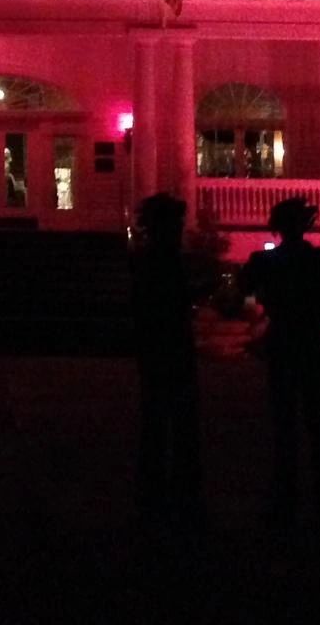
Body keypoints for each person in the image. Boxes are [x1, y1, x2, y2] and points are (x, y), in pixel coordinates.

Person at [238, 197, 320, 524]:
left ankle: (286, 489)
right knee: (317, 418)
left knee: (285, 418)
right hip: (311, 341)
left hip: (283, 341)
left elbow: (244, 289)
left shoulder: (264, 262)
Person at [130, 193, 203, 523]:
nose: (179, 230)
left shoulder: (152, 260)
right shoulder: (162, 261)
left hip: (163, 347)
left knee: (163, 416)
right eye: (175, 223)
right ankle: (171, 485)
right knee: (167, 415)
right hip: (167, 346)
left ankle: (163, 482)